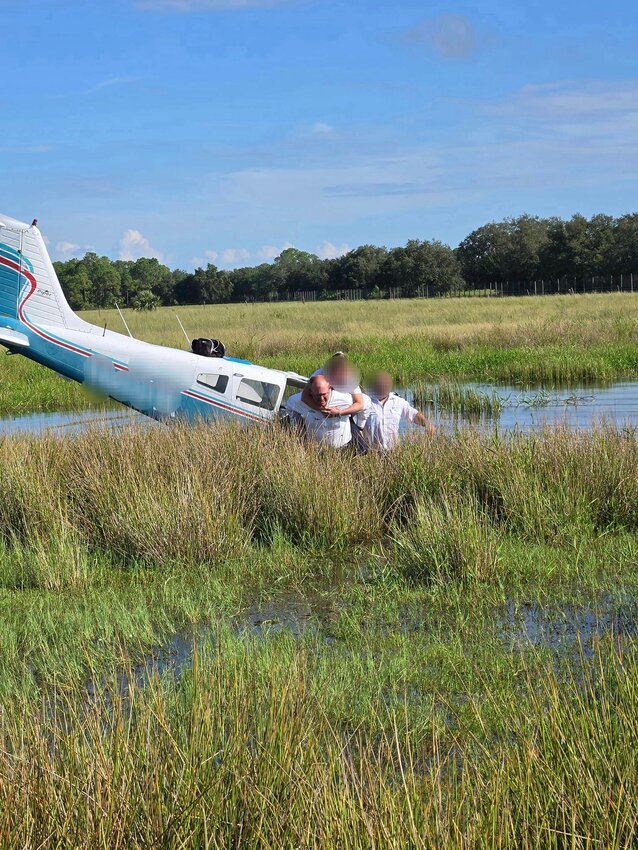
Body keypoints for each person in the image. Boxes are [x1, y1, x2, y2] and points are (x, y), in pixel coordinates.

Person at [364, 371, 434, 450]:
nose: (383, 385)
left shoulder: (398, 401)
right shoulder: (365, 401)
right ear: (374, 385)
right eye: (380, 383)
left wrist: (427, 424)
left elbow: (413, 414)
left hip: (394, 451)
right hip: (372, 452)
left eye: (386, 383)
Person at [286, 374, 354, 449]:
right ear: (310, 392)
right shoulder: (297, 401)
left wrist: (340, 412)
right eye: (317, 395)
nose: (321, 399)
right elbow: (290, 407)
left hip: (342, 448)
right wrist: (298, 427)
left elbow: (364, 403)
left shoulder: (344, 400)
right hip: (315, 449)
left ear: (330, 388)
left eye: (324, 395)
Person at [310, 352, 365, 418]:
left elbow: (360, 404)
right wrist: (318, 408)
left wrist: (339, 412)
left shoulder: (350, 378)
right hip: (320, 402)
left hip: (343, 404)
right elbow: (306, 392)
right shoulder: (320, 373)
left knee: (365, 400)